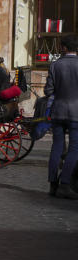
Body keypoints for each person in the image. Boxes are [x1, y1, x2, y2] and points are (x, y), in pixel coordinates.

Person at [45, 33, 78, 199]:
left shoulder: (55, 65)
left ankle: (53, 184)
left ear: (64, 48)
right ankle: (64, 184)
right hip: (76, 114)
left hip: (58, 111)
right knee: (74, 148)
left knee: (57, 147)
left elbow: (48, 91)